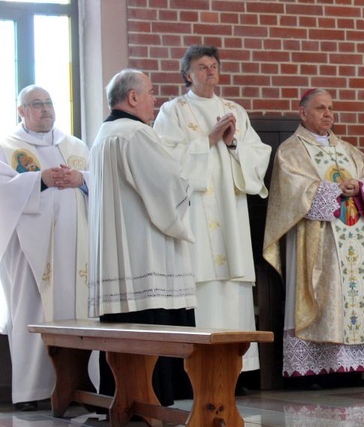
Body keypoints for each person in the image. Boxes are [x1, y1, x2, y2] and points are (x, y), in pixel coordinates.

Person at [262, 89, 364, 383]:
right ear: (303, 113)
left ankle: (352, 368)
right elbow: (292, 191)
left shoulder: (348, 150)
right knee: (322, 298)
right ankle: (314, 370)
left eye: (331, 109)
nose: (328, 114)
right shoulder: (291, 150)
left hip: (355, 240)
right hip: (316, 242)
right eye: (321, 108)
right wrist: (335, 190)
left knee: (352, 298)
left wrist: (360, 187)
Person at [154, 45, 272, 375]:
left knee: (232, 285)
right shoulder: (172, 111)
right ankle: (201, 367)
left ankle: (238, 367)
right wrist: (207, 140)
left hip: (230, 213)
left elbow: (257, 155)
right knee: (201, 282)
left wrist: (233, 142)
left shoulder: (235, 110)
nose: (210, 71)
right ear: (187, 74)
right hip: (193, 214)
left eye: (214, 66)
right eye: (202, 67)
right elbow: (164, 158)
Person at [88, 69, 196, 405]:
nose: (154, 100)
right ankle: (153, 399)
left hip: (118, 260)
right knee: (151, 325)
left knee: (124, 328)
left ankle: (123, 399)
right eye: (149, 92)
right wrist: (187, 190)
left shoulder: (104, 135)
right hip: (145, 254)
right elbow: (168, 185)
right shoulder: (135, 134)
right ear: (132, 97)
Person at [0, 86, 90, 411]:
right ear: (21, 111)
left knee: (77, 311)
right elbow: (3, 191)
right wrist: (39, 180)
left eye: (49, 103)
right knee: (30, 311)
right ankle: (30, 390)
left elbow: (98, 182)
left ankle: (80, 387)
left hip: (76, 247)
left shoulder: (75, 146)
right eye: (36, 104)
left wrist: (82, 178)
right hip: (28, 250)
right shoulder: (7, 146)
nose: (45, 109)